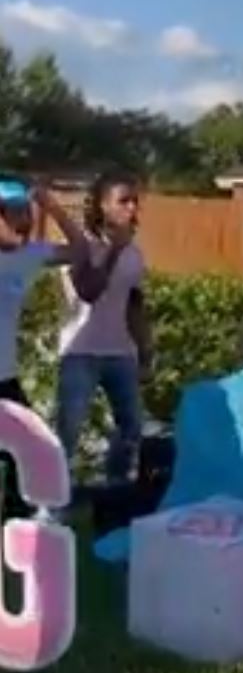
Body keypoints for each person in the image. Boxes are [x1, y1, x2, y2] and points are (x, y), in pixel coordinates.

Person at [56, 171, 152, 486]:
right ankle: (49, 499)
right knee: (69, 430)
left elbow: (134, 304)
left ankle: (116, 491)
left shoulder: (134, 253)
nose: (132, 208)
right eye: (123, 201)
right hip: (80, 352)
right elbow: (88, 291)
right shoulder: (79, 247)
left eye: (135, 201)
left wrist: (145, 351)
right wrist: (114, 251)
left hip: (120, 352)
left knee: (131, 428)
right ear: (102, 205)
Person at [0, 178, 88, 517]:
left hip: (5, 377)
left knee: (29, 446)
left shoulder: (30, 256)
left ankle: (16, 516)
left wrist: (52, 207)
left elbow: (80, 251)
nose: (23, 221)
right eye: (13, 214)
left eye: (26, 213)